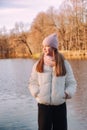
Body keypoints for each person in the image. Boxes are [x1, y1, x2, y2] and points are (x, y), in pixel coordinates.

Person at [28, 33, 77, 130]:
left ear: (54, 47)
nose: (44, 48)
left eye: (47, 46)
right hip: (43, 107)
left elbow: (71, 83)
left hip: (60, 106)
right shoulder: (38, 64)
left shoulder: (64, 64)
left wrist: (67, 93)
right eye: (43, 46)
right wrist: (36, 92)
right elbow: (32, 82)